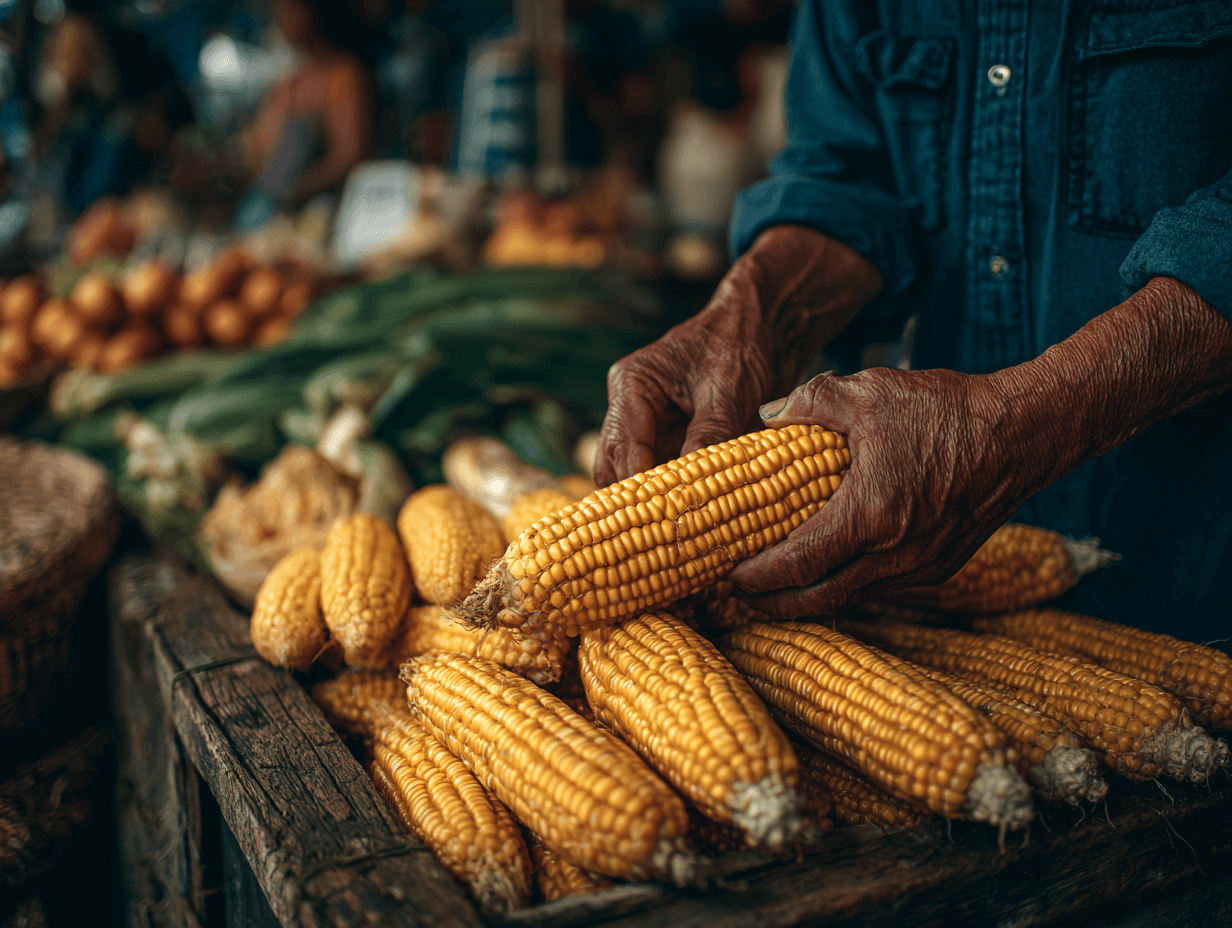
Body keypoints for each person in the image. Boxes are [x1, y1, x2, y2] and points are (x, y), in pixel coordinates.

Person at [596, 1, 1232, 638]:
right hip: (923, 588)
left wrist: (1009, 428)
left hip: (1190, 565)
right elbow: (848, 179)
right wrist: (748, 313)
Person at [235, 0, 373, 231]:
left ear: (313, 11)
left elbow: (349, 158)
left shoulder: (341, 75)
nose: (280, 17)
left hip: (316, 211)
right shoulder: (289, 84)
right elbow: (259, 154)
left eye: (290, 8)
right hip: (264, 208)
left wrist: (294, 192)